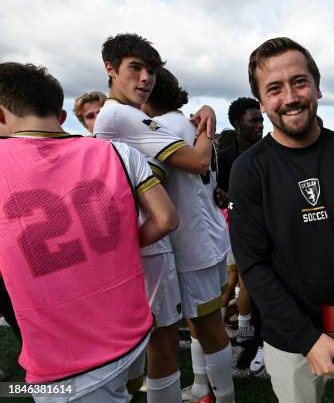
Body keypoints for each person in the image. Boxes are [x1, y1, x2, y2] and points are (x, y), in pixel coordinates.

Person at [0, 62, 177, 401]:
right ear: (61, 114)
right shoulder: (118, 152)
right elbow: (167, 217)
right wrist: (122, 245)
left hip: (66, 359)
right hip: (131, 328)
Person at [229, 37, 334, 403]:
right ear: (262, 100)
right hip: (289, 336)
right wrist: (307, 339)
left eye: (299, 81)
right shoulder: (249, 169)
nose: (290, 97)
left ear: (316, 85)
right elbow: (253, 265)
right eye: (274, 88)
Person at [94, 33, 220, 403]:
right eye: (135, 68)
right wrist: (207, 127)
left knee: (148, 343)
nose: (145, 78)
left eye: (150, 70)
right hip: (147, 243)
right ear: (110, 69)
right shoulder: (122, 115)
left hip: (137, 242)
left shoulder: (123, 115)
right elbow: (197, 162)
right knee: (162, 346)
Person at [141, 67, 234, 403]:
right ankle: (201, 387)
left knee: (208, 328)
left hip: (191, 246)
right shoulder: (194, 124)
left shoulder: (161, 129)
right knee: (202, 324)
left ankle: (224, 397)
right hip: (203, 240)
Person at [217, 96, 265, 375]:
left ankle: (262, 343)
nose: (261, 124)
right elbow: (219, 196)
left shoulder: (270, 151)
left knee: (262, 287)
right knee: (245, 284)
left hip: (271, 231)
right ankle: (249, 334)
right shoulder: (223, 159)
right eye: (254, 120)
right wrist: (223, 197)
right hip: (238, 232)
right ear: (237, 124)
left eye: (261, 119)